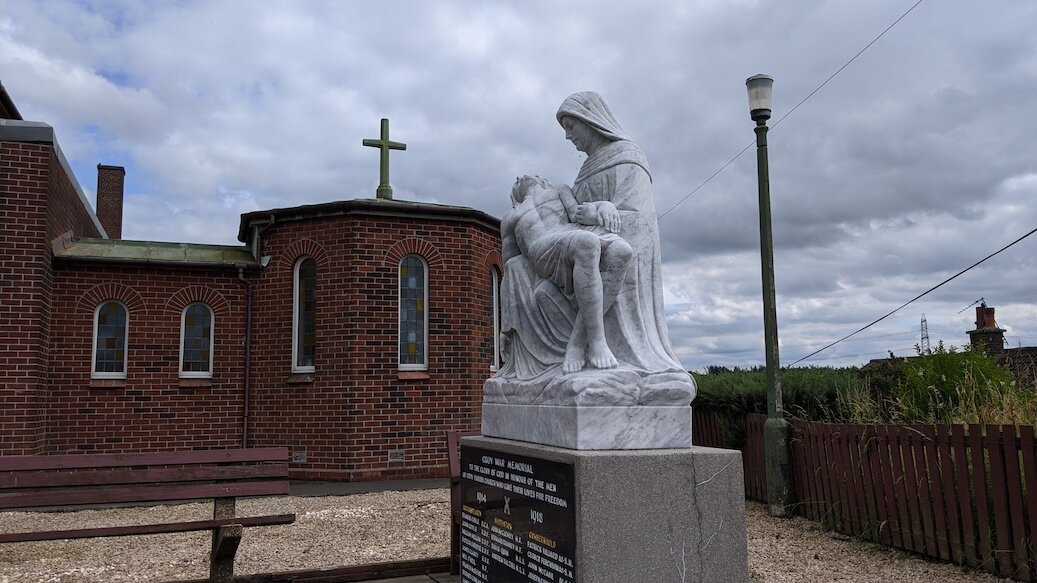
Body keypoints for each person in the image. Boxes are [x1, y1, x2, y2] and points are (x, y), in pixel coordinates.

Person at [500, 175, 633, 373]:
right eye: (517, 180)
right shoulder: (510, 217)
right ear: (515, 194)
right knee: (586, 242)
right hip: (542, 248)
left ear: (542, 180)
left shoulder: (559, 190)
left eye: (529, 175)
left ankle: (576, 342)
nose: (521, 177)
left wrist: (604, 205)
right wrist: (506, 324)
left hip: (570, 234)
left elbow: (577, 214)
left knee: (622, 251)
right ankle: (597, 342)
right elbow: (510, 264)